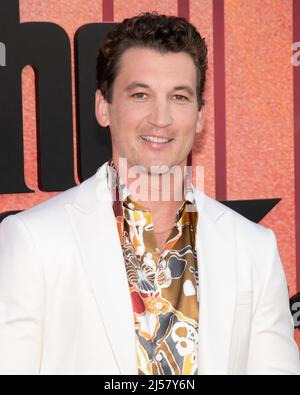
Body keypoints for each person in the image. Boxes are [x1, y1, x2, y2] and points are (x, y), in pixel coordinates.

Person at [0, 12, 299, 375]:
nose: (161, 118)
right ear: (103, 107)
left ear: (200, 116)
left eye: (179, 97)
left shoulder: (254, 248)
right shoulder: (34, 240)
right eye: (140, 94)